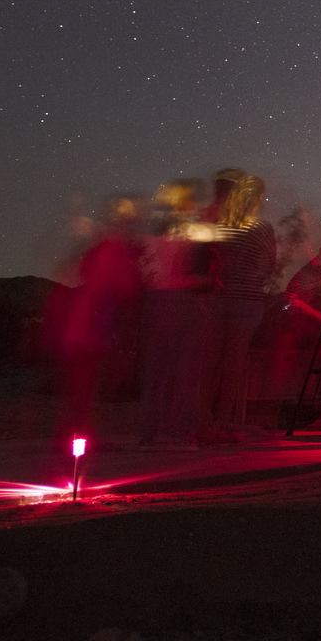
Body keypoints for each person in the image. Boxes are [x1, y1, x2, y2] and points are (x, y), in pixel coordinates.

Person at [57, 195, 144, 448]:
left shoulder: (99, 249)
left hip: (86, 326)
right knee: (84, 387)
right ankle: (75, 438)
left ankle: (73, 435)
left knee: (81, 388)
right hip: (91, 328)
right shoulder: (111, 250)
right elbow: (125, 286)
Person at [139, 178, 215, 448]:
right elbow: (201, 277)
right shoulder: (197, 232)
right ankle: (182, 433)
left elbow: (146, 271)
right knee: (187, 371)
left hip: (156, 302)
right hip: (183, 303)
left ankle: (148, 434)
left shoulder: (153, 232)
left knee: (156, 372)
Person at [201, 172, 276, 439]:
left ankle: (203, 421)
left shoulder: (216, 226)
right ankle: (222, 422)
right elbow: (269, 266)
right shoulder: (262, 227)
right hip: (247, 301)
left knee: (209, 362)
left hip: (218, 299)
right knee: (233, 364)